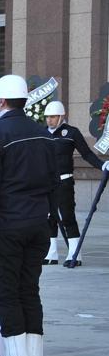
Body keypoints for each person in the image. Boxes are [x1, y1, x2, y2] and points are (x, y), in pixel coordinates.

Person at [0, 74, 59, 356]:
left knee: (5, 292)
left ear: (0, 100)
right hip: (38, 224)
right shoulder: (42, 133)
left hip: (7, 227)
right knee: (29, 291)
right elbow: (54, 182)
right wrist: (51, 225)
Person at [43, 101, 109, 265]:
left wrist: (102, 165)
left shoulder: (71, 132)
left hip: (64, 182)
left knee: (67, 217)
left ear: (61, 116)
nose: (49, 120)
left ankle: (75, 254)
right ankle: (51, 254)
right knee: (49, 218)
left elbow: (86, 154)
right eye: (47, 117)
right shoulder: (42, 133)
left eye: (52, 117)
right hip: (46, 183)